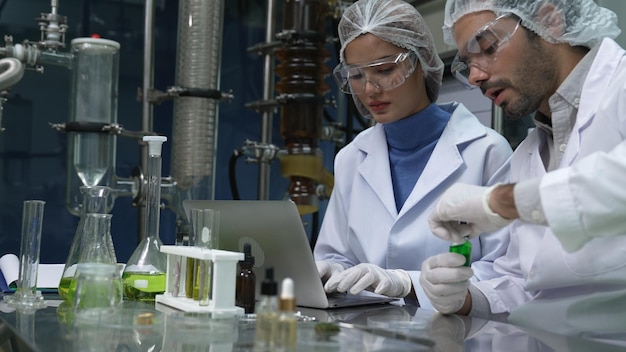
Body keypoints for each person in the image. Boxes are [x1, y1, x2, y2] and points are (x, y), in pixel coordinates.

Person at [420, 0, 626, 337]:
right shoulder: (529, 154)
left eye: (486, 46)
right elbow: (525, 284)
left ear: (550, 20)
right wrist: (464, 299)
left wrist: (502, 201)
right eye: (467, 64)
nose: (475, 77)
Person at [313, 0, 512, 307]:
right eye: (355, 75)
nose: (369, 90)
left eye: (384, 70)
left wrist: (411, 283)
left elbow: (506, 273)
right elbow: (338, 254)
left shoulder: (486, 151)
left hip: (455, 336)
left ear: (420, 62)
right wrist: (333, 270)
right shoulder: (351, 158)